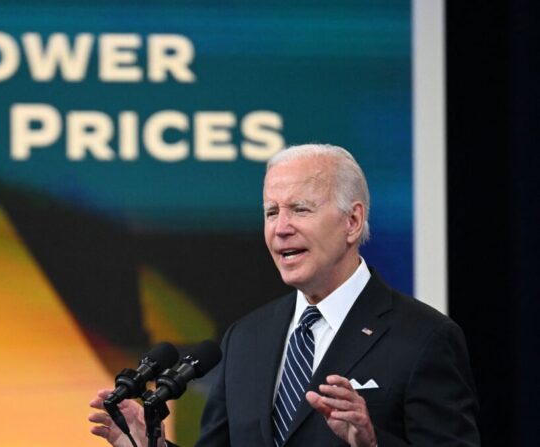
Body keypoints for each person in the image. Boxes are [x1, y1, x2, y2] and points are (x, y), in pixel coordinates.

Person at [89, 144, 479, 446]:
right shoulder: (246, 337)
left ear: (353, 221)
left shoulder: (424, 338)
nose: (281, 228)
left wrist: (372, 442)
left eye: (300, 209)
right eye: (272, 212)